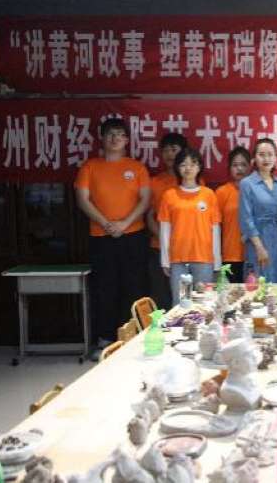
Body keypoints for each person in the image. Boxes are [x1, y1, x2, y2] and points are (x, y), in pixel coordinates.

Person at [75, 117, 150, 359]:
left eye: (120, 134)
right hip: (101, 236)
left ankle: (132, 338)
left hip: (133, 236)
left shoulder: (137, 168)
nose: (115, 138)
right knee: (104, 288)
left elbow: (145, 200)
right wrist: (106, 224)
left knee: (133, 286)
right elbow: (82, 199)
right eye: (110, 134)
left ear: (127, 140)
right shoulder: (90, 167)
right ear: (102, 138)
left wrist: (125, 223)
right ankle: (105, 339)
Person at [158, 147, 222, 303]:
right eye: (183, 164)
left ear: (199, 167)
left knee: (204, 303)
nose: (188, 168)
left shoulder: (208, 195)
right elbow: (165, 231)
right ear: (177, 168)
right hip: (178, 260)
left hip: (204, 258)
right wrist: (165, 261)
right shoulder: (169, 195)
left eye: (193, 164)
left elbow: (215, 230)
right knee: (181, 304)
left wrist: (217, 261)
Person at [146, 132, 188, 308]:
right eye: (165, 150)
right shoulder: (154, 182)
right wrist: (165, 240)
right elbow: (149, 216)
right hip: (159, 247)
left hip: (186, 249)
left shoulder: (194, 181)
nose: (169, 154)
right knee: (161, 297)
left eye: (174, 149)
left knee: (185, 298)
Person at [238, 138, 277, 283]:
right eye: (261, 154)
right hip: (257, 240)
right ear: (254, 158)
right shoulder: (247, 183)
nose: (266, 159)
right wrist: (259, 247)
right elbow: (246, 218)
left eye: (270, 154)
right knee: (257, 284)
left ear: (276, 158)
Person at [215, 147, 252, 283]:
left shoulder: (256, 191)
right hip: (229, 255)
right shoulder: (221, 192)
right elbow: (216, 227)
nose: (239, 169)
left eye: (243, 165)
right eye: (235, 165)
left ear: (250, 167)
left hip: (253, 254)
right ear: (229, 168)